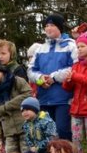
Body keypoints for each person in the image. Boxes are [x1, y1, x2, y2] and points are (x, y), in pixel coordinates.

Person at [27, 13, 77, 141]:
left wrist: (53, 77)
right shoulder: (40, 48)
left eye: (52, 25)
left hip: (63, 98)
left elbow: (74, 68)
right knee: (47, 133)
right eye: (46, 26)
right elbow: (31, 70)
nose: (48, 28)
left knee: (62, 130)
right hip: (44, 98)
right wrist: (40, 79)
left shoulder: (71, 45)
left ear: (59, 27)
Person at [0, 57, 32, 153]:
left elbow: (28, 94)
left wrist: (7, 106)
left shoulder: (16, 81)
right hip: (7, 129)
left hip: (24, 125)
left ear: (2, 71)